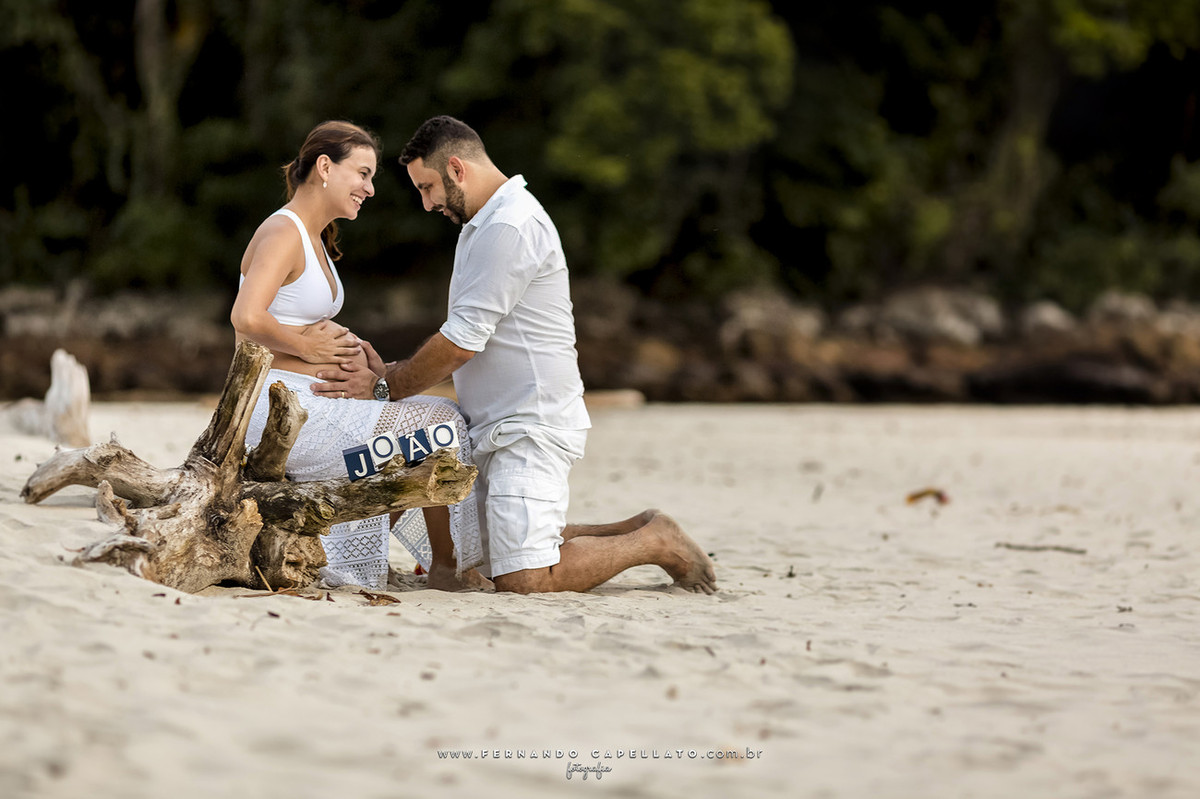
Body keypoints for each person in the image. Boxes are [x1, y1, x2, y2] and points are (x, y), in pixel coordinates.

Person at [311, 115, 717, 595]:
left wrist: (385, 386)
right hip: (493, 425)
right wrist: (394, 373)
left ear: (457, 169)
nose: (426, 204)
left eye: (427, 187)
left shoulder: (510, 225)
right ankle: (636, 527)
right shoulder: (480, 226)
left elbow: (462, 340)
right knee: (485, 554)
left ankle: (655, 540)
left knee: (523, 578)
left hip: (530, 422)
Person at [230, 120, 487, 592]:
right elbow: (245, 318)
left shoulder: (316, 237)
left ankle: (440, 563)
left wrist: (366, 365)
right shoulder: (283, 231)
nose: (369, 189)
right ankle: (447, 569)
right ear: (325, 167)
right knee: (438, 429)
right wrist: (309, 347)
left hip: (319, 403)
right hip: (283, 413)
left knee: (445, 416)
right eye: (363, 174)